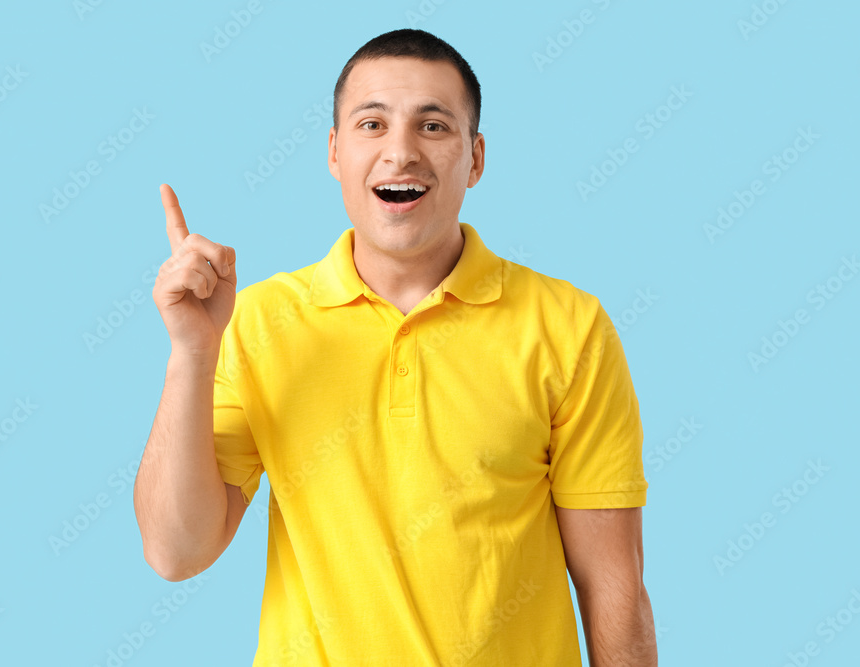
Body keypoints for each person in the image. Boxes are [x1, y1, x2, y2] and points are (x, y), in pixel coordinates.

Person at [133, 28, 657, 666]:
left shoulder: (568, 326)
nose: (401, 152)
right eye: (372, 124)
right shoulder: (257, 321)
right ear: (335, 151)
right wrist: (191, 353)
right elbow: (175, 552)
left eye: (433, 127)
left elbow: (613, 587)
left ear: (476, 158)